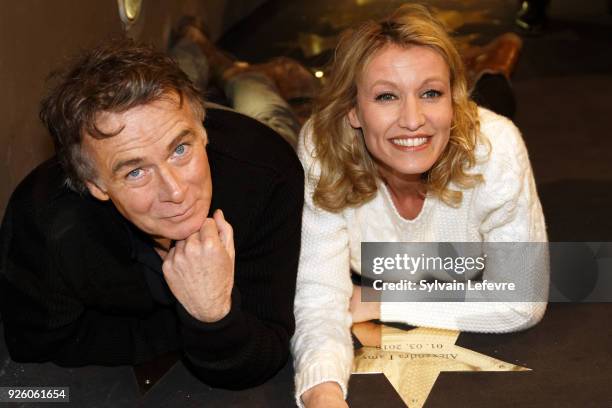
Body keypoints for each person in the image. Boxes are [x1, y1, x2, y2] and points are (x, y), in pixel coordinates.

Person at [0, 36, 305, 390]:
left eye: (180, 149)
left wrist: (212, 315)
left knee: (266, 105)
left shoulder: (268, 173)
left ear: (202, 133)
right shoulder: (45, 224)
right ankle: (196, 50)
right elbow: (36, 341)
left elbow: (265, 349)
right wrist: (195, 317)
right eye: (135, 172)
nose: (175, 192)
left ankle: (227, 66)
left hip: (253, 133)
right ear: (95, 185)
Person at [291, 4, 549, 407]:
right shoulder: (322, 150)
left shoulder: (496, 148)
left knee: (498, 93)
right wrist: (323, 393)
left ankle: (495, 62)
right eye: (386, 96)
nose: (413, 119)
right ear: (353, 111)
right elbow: (319, 296)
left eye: (431, 92)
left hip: (477, 133)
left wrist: (379, 299)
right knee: (264, 102)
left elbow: (520, 301)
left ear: (453, 99)